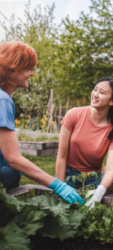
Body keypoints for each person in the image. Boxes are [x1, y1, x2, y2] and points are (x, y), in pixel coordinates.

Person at [0, 41, 84, 205]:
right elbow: (14, 159)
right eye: (29, 68)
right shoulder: (2, 100)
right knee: (11, 172)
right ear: (13, 69)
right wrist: (57, 185)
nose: (32, 74)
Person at [55, 77, 113, 209]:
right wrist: (60, 186)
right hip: (67, 175)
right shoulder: (74, 114)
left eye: (102, 92)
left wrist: (100, 191)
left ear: (112, 101)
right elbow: (61, 156)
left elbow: (110, 169)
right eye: (95, 89)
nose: (95, 94)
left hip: (92, 182)